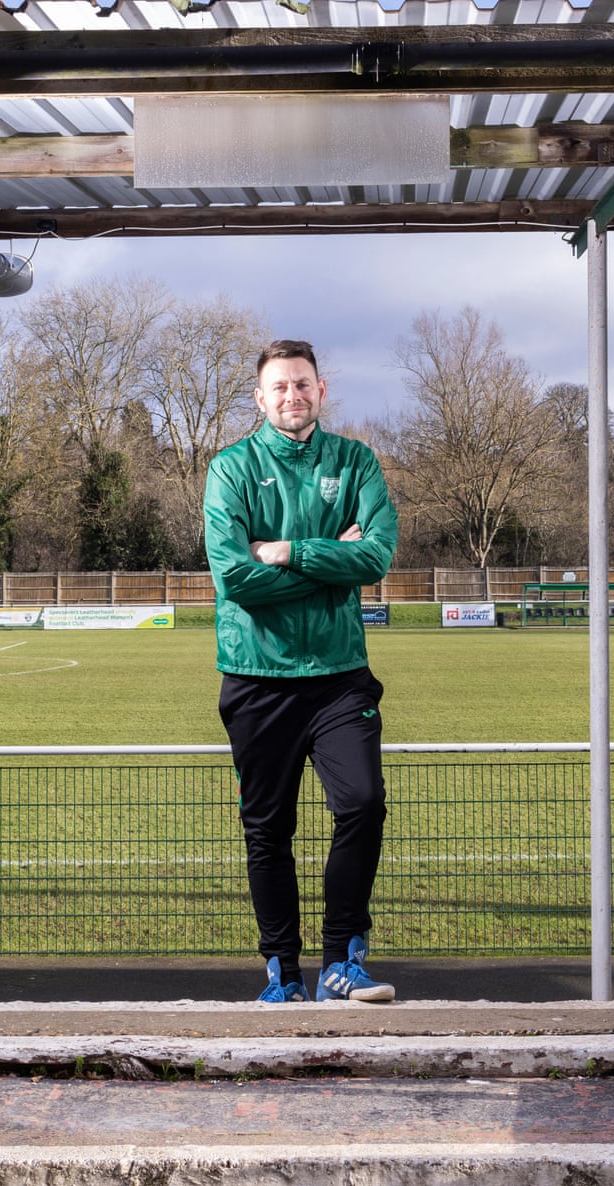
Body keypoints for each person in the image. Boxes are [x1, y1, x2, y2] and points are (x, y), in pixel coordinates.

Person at [202, 338, 399, 1003]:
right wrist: (329, 565)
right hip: (256, 676)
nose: (293, 395)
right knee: (268, 832)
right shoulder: (231, 468)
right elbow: (234, 579)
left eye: (303, 384)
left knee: (363, 804)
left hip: (339, 675)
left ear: (322, 390)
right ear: (260, 399)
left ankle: (343, 961)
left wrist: (286, 551)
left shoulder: (355, 462)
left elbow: (375, 558)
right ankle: (283, 974)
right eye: (280, 386)